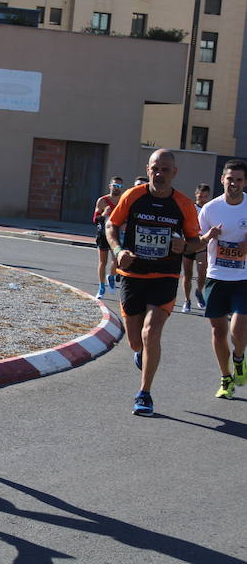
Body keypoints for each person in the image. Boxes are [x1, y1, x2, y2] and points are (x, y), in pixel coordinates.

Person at [106, 149, 201, 417]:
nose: (159, 174)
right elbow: (111, 226)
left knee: (151, 333)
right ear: (148, 169)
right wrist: (118, 251)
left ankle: (144, 393)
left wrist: (185, 245)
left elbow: (196, 241)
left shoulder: (183, 205)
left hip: (165, 276)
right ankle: (141, 354)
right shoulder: (133, 196)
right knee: (136, 341)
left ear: (174, 173)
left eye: (165, 170)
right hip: (133, 276)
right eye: (155, 169)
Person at [197, 160, 247, 399]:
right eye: (230, 179)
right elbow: (196, 240)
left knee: (238, 327)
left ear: (244, 182)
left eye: (238, 179)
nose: (234, 184)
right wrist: (209, 235)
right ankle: (226, 379)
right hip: (216, 277)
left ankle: (239, 358)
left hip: (243, 277)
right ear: (222, 180)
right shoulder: (210, 209)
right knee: (218, 331)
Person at [182, 183, 211, 312]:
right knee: (187, 275)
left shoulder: (210, 209)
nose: (202, 199)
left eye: (205, 196)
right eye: (200, 196)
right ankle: (187, 301)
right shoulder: (190, 207)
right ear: (196, 194)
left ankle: (199, 291)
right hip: (188, 244)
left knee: (202, 273)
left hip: (202, 244)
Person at [94, 176, 124, 299]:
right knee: (103, 262)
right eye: (115, 185)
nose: (117, 188)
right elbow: (95, 219)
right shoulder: (103, 201)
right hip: (102, 233)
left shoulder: (123, 200)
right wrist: (103, 214)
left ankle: (111, 277)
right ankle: (101, 287)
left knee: (117, 259)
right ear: (110, 186)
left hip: (116, 234)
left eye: (119, 186)